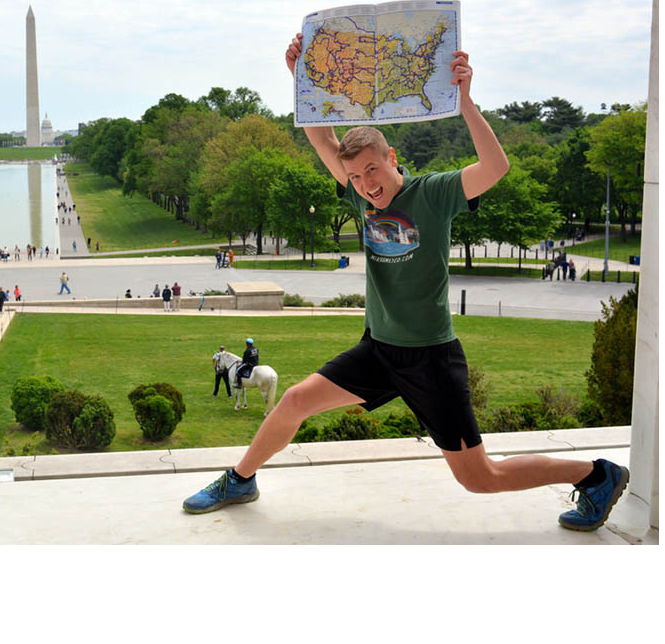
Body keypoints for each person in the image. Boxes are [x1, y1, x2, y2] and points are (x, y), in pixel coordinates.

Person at [182, 36, 630, 535]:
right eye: (355, 176)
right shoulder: (360, 199)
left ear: (391, 156)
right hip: (378, 351)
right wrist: (302, 78)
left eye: (372, 168)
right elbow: (322, 141)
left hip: (431, 359)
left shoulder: (433, 193)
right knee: (294, 402)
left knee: (481, 479)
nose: (367, 183)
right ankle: (241, 479)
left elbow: (496, 168)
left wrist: (465, 102)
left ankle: (597, 474)